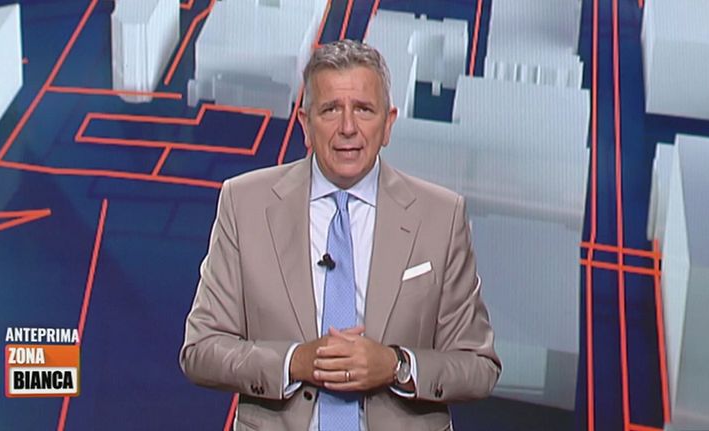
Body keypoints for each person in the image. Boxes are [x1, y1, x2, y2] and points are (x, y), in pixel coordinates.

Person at [180, 39, 500, 431]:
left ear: (388, 123)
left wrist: (397, 366)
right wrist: (295, 362)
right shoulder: (245, 204)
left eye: (363, 109)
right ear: (305, 123)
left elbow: (478, 365)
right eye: (331, 109)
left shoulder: (441, 216)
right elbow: (201, 349)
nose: (348, 128)